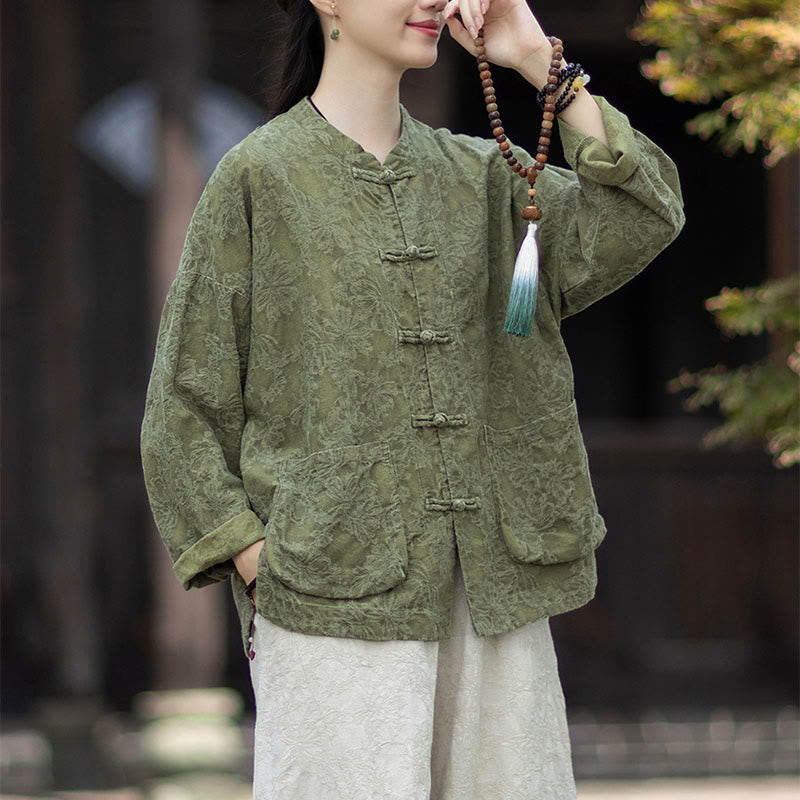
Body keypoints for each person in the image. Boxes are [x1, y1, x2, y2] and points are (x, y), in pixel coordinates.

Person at [140, 0, 685, 797]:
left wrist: (541, 64)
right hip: (329, 603)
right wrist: (259, 566)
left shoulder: (487, 178)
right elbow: (183, 410)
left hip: (497, 600)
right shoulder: (259, 179)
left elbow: (643, 214)